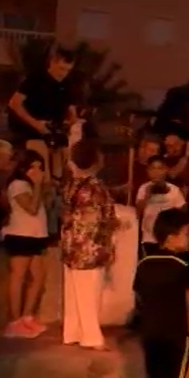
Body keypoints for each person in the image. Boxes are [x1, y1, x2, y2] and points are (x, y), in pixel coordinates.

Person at [133, 207, 189, 378]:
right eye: (187, 234)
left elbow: (139, 297)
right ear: (172, 237)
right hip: (176, 337)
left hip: (150, 335)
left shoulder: (144, 263)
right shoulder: (183, 266)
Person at [61, 138, 120, 350]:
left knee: (74, 293)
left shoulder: (71, 184)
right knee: (88, 293)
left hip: (71, 244)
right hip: (89, 246)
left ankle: (73, 332)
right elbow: (96, 219)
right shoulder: (94, 187)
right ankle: (91, 337)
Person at [7, 47, 80, 180]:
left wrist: (71, 122)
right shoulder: (35, 79)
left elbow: (71, 110)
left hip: (54, 129)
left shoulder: (67, 84)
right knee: (41, 163)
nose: (63, 74)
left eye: (67, 70)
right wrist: (35, 124)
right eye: (61, 69)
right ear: (52, 62)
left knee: (61, 164)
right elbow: (15, 103)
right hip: (32, 130)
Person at [2, 150, 53, 339]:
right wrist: (38, 184)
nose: (37, 171)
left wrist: (43, 188)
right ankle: (14, 322)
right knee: (18, 276)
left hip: (36, 235)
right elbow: (30, 208)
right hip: (19, 235)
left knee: (38, 277)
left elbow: (41, 207)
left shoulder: (31, 186)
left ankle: (27, 316)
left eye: (40, 167)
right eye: (34, 166)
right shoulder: (18, 185)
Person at [136, 156, 187, 259]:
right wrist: (147, 196)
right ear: (147, 171)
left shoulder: (174, 190)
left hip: (168, 239)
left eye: (160, 168)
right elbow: (138, 212)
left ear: (166, 170)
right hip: (149, 238)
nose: (156, 172)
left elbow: (183, 211)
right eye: (152, 168)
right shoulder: (143, 188)